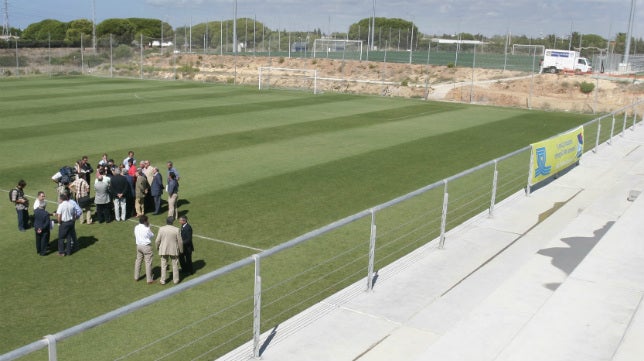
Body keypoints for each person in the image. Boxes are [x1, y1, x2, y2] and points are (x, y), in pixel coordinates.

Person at [155, 216, 183, 285]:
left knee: (163, 265)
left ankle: (163, 280)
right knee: (175, 265)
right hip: (173, 249)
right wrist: (181, 250)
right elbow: (180, 242)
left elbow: (157, 241)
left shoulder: (161, 229)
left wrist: (157, 247)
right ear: (172, 222)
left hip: (164, 249)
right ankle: (175, 280)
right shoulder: (176, 229)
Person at [134, 215, 155, 284]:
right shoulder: (146, 229)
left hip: (138, 246)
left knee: (138, 261)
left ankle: (136, 277)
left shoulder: (136, 227)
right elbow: (152, 235)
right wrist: (148, 227)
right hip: (146, 247)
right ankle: (149, 279)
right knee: (148, 262)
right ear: (145, 221)